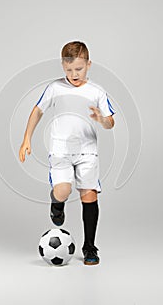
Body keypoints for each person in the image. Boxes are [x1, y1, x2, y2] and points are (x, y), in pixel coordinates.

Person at [19, 41, 116, 265]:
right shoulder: (55, 88)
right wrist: (26, 139)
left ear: (89, 65)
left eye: (79, 69)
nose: (74, 74)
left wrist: (101, 119)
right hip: (61, 150)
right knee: (63, 190)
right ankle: (57, 204)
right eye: (69, 69)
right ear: (63, 66)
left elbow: (110, 122)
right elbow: (37, 111)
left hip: (87, 151)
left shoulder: (96, 91)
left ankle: (90, 247)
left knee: (89, 195)